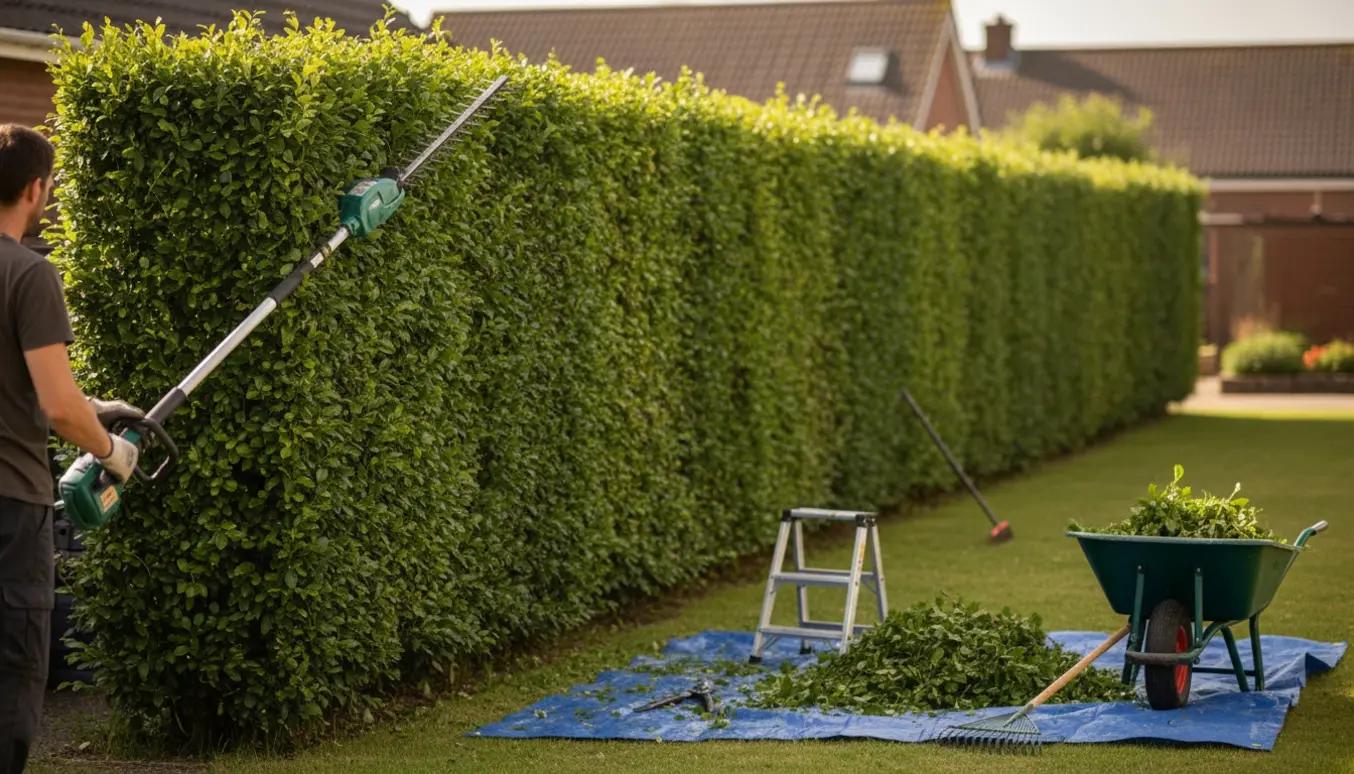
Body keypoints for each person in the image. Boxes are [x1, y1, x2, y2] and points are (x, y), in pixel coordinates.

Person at [0, 124, 143, 773]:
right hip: (10, 514)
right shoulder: (28, 274)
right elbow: (57, 408)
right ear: (37, 188)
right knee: (9, 685)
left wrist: (92, 408)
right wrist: (110, 448)